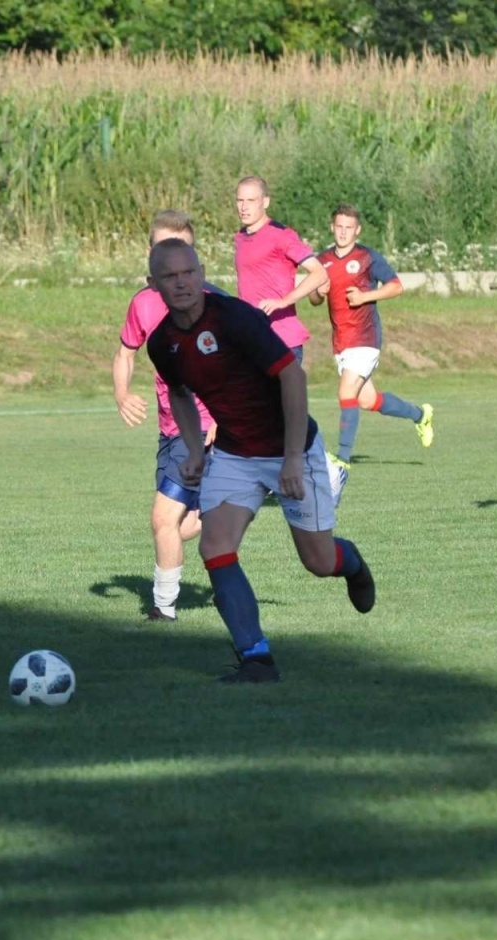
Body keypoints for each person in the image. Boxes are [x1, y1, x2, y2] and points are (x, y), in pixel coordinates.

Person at [145, 238, 375, 684]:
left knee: (317, 560)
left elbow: (293, 375)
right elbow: (178, 393)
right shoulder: (164, 343)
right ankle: (256, 659)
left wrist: (291, 457)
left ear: (201, 271)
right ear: (153, 284)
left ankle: (351, 563)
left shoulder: (234, 318)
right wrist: (195, 450)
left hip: (292, 445)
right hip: (234, 452)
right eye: (170, 277)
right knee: (215, 547)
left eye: (189, 272)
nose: (182, 283)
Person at [113, 209, 217, 620]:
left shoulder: (214, 304)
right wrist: (121, 392)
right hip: (170, 429)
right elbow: (125, 352)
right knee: (182, 524)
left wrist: (223, 420)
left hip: (203, 428)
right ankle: (241, 498)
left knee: (162, 519)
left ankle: (162, 608)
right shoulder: (142, 304)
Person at [309, 203, 434, 498]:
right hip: (341, 342)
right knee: (366, 400)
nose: (343, 232)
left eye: (348, 228)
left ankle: (342, 458)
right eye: (338, 227)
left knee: (345, 393)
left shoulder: (367, 257)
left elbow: (396, 286)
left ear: (357, 230)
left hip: (365, 339)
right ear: (332, 227)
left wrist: (366, 295)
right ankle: (420, 415)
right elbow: (313, 298)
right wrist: (318, 292)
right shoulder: (322, 260)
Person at [233, 176, 328, 364]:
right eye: (240, 200)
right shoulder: (240, 237)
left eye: (251, 200)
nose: (244, 207)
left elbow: (319, 273)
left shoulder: (281, 235)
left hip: (282, 340)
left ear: (265, 202)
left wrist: (284, 301)